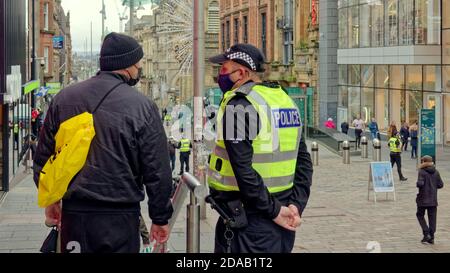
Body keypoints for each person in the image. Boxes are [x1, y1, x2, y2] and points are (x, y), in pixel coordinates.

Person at [33, 32, 174, 253]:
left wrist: (52, 201)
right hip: (121, 217)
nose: (140, 69)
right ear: (127, 65)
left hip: (75, 216)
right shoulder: (142, 106)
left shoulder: (63, 99)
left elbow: (43, 157)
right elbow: (158, 168)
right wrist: (160, 217)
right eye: (138, 64)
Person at [208, 44, 313, 253]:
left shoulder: (238, 105)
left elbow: (242, 170)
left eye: (224, 69)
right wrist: (295, 206)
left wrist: (274, 211)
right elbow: (304, 163)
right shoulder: (285, 100)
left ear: (242, 73)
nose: (219, 75)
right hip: (282, 219)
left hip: (250, 222)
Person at [416, 155, 444, 245]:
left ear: (424, 162)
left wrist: (418, 183)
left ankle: (426, 232)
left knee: (420, 215)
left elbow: (420, 183)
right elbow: (440, 185)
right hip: (433, 199)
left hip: (422, 199)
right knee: (432, 218)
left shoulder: (422, 171)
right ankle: (431, 237)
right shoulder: (436, 172)